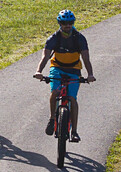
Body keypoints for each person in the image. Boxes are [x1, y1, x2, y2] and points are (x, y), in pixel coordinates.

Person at [36, 9, 95, 142]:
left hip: (74, 70)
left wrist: (90, 74)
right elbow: (45, 56)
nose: (67, 25)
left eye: (70, 22)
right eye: (64, 23)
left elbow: (86, 58)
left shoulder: (79, 38)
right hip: (57, 68)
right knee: (55, 92)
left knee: (72, 99)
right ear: (59, 23)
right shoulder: (54, 38)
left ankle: (74, 131)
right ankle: (52, 119)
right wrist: (39, 71)